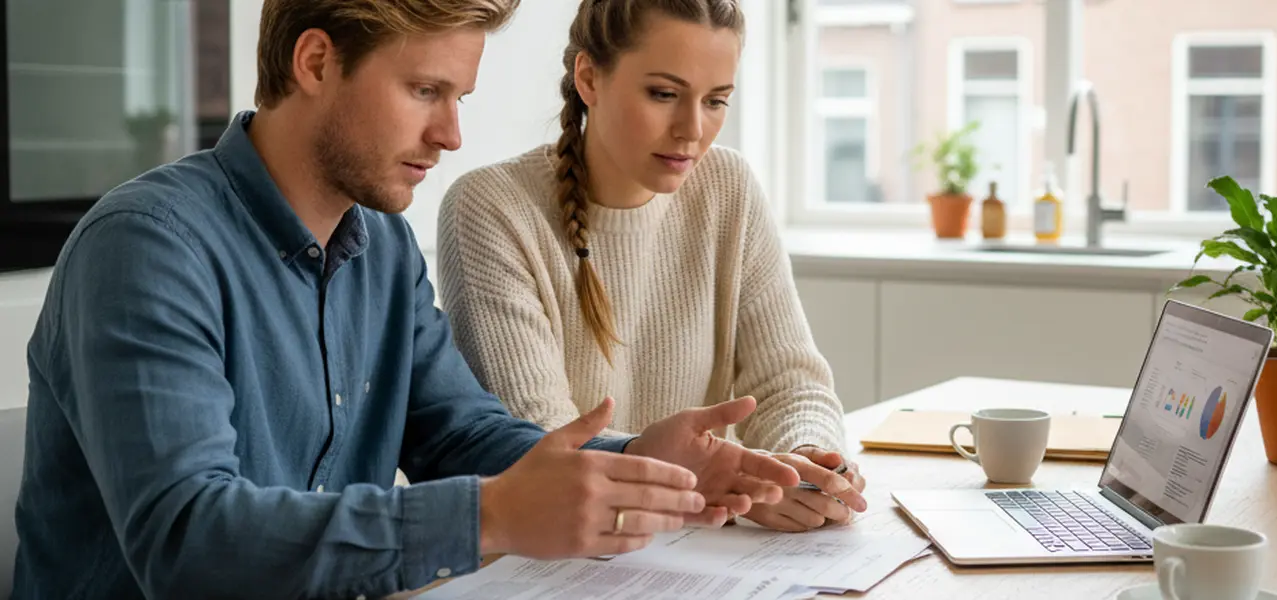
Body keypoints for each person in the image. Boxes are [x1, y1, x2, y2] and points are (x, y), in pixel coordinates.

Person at [9, 1, 803, 598]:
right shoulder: (147, 246)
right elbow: (187, 542)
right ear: (315, 62)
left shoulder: (381, 245)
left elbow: (460, 434)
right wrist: (488, 515)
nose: (451, 135)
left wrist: (635, 463)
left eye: (459, 98)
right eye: (425, 90)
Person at [436, 0, 867, 534]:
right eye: (664, 94)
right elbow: (539, 444)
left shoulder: (728, 186)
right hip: (560, 556)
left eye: (716, 101)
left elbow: (791, 384)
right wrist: (712, 480)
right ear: (589, 78)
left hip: (705, 550)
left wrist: (803, 463)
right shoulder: (490, 207)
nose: (692, 129)